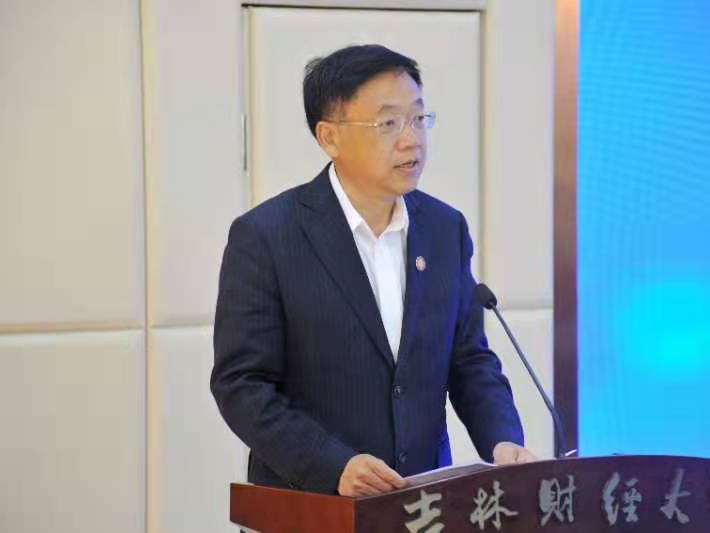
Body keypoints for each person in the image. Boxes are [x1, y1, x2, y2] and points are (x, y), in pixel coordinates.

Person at [211, 44, 534, 497]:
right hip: (311, 505)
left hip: (421, 506)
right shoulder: (268, 236)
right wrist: (333, 466)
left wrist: (502, 441)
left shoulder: (444, 229)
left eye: (418, 118)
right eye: (388, 123)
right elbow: (242, 385)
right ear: (329, 137)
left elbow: (469, 359)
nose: (411, 139)